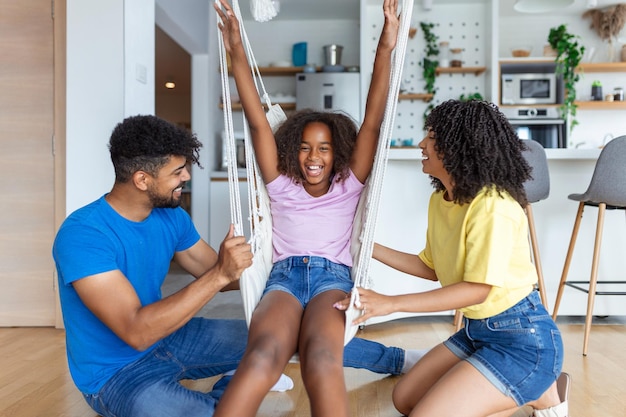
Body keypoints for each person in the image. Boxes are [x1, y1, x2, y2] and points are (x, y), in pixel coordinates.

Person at [52, 114, 423, 417]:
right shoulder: (83, 235)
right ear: (142, 179)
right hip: (117, 374)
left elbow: (215, 272)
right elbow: (137, 331)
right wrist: (221, 273)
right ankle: (237, 378)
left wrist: (271, 261)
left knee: (283, 336)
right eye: (178, 172)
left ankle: (396, 359)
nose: (186, 178)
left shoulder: (170, 217)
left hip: (176, 337)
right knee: (222, 412)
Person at [212, 0, 402, 416]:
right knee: (262, 357)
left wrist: (385, 48)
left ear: (339, 154)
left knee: (321, 361)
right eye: (303, 148)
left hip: (332, 282)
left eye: (324, 149)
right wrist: (236, 51)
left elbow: (372, 119)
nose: (313, 157)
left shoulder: (350, 185)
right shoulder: (279, 186)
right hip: (282, 279)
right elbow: (258, 120)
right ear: (291, 151)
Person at [335, 99, 570, 417]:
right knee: (405, 399)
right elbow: (430, 267)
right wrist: (366, 247)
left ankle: (538, 384)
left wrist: (391, 302)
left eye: (430, 136)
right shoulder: (441, 199)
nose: (422, 143)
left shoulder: (493, 206)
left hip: (522, 340)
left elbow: (477, 290)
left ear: (458, 144)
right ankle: (538, 391)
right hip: (478, 331)